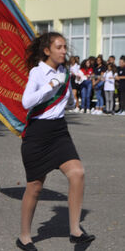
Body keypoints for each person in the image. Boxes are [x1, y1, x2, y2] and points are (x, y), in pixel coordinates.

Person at [17, 32, 95, 251]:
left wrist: (70, 95)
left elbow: (67, 102)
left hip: (59, 131)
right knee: (35, 187)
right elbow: (26, 102)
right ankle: (24, 236)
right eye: (59, 47)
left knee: (77, 172)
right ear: (47, 50)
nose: (64, 51)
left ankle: (75, 231)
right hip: (38, 133)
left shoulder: (65, 72)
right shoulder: (38, 72)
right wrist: (50, 86)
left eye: (64, 47)